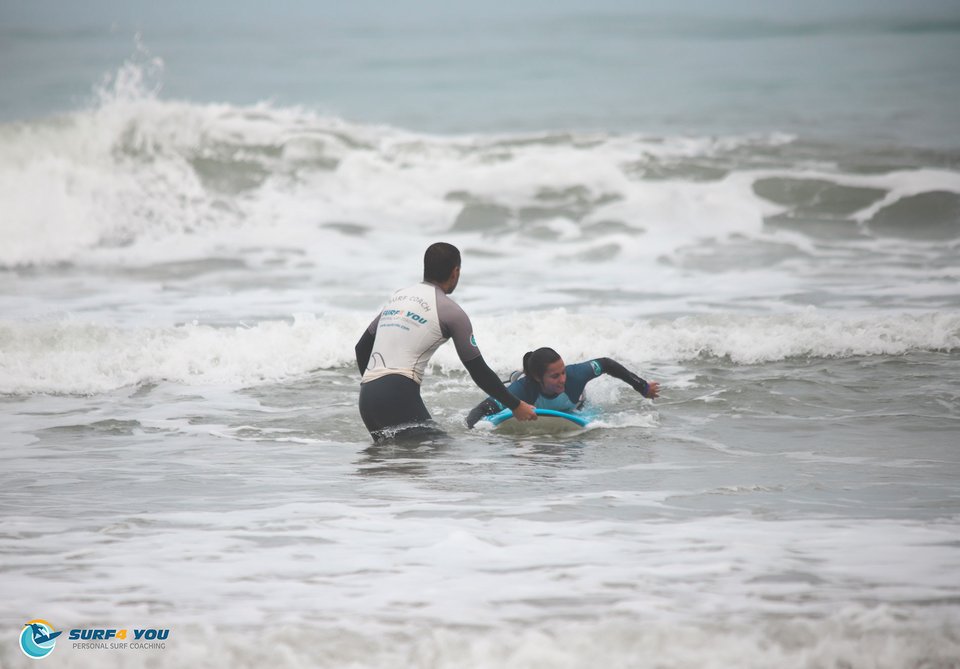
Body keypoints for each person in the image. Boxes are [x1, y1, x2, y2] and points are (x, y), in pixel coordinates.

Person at [355, 242, 537, 441]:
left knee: (396, 466)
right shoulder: (451, 312)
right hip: (397, 395)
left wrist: (377, 390)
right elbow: (478, 370)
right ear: (455, 272)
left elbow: (361, 348)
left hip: (367, 398)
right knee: (444, 457)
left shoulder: (398, 298)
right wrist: (516, 405)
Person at [465, 346, 660, 428]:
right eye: (555, 376)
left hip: (573, 404)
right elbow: (482, 409)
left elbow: (607, 364)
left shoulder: (575, 376)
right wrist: (473, 430)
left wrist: (642, 387)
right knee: (515, 380)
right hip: (525, 381)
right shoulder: (522, 390)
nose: (562, 379)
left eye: (563, 372)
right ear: (537, 377)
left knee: (579, 398)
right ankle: (518, 373)